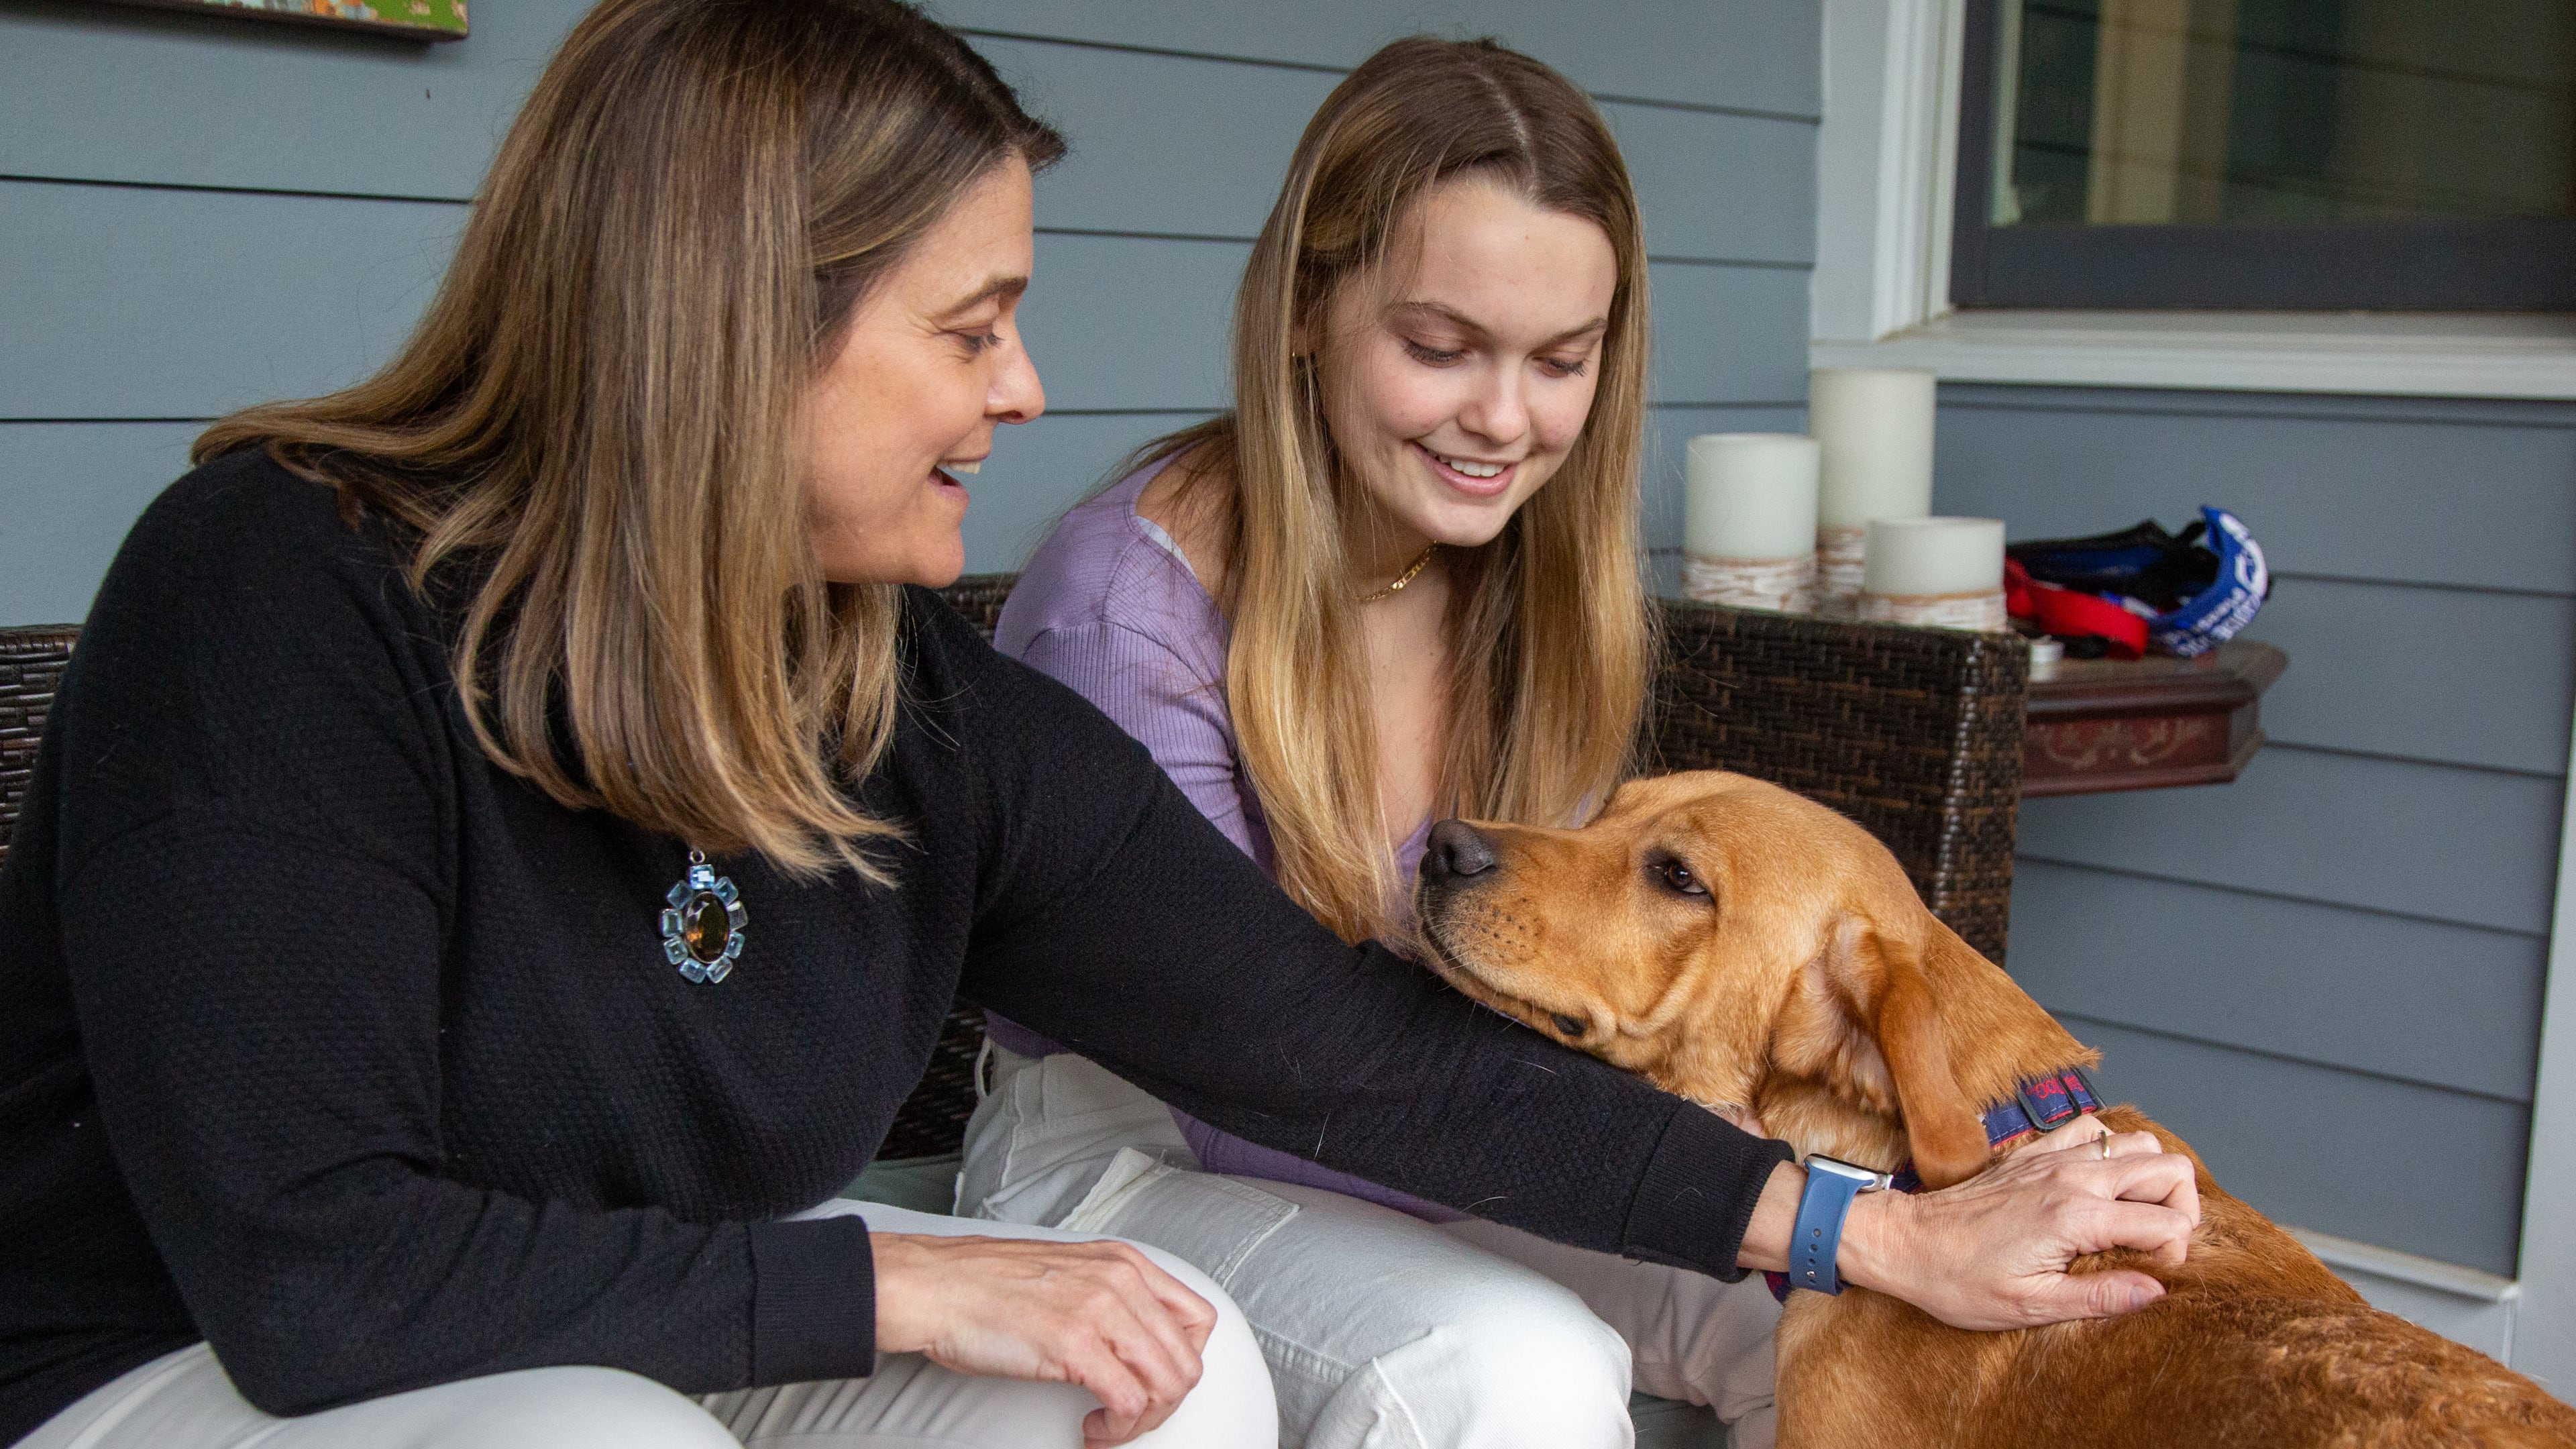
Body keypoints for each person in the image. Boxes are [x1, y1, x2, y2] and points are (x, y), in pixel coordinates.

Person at [0, 5, 2200, 1449]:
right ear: (736, 329)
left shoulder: (904, 709)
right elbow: (322, 1279)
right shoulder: (283, 594)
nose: (1027, 391)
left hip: (660, 1346)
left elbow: (1350, 1050)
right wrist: (902, 1269)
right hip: (203, 1373)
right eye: (974, 324)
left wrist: (1867, 1237)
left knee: (1154, 1370)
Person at [965, 36, 2191, 1449]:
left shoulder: (1513, 579)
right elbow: (1275, 1081)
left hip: (1461, 1135)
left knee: (1853, 1334)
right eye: (1440, 348)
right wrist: (1824, 1214)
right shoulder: (1122, 615)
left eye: (1561, 362)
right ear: (1306, 307)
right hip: (1147, 1151)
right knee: (1515, 1365)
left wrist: (2035, 1181)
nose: (1503, 419)